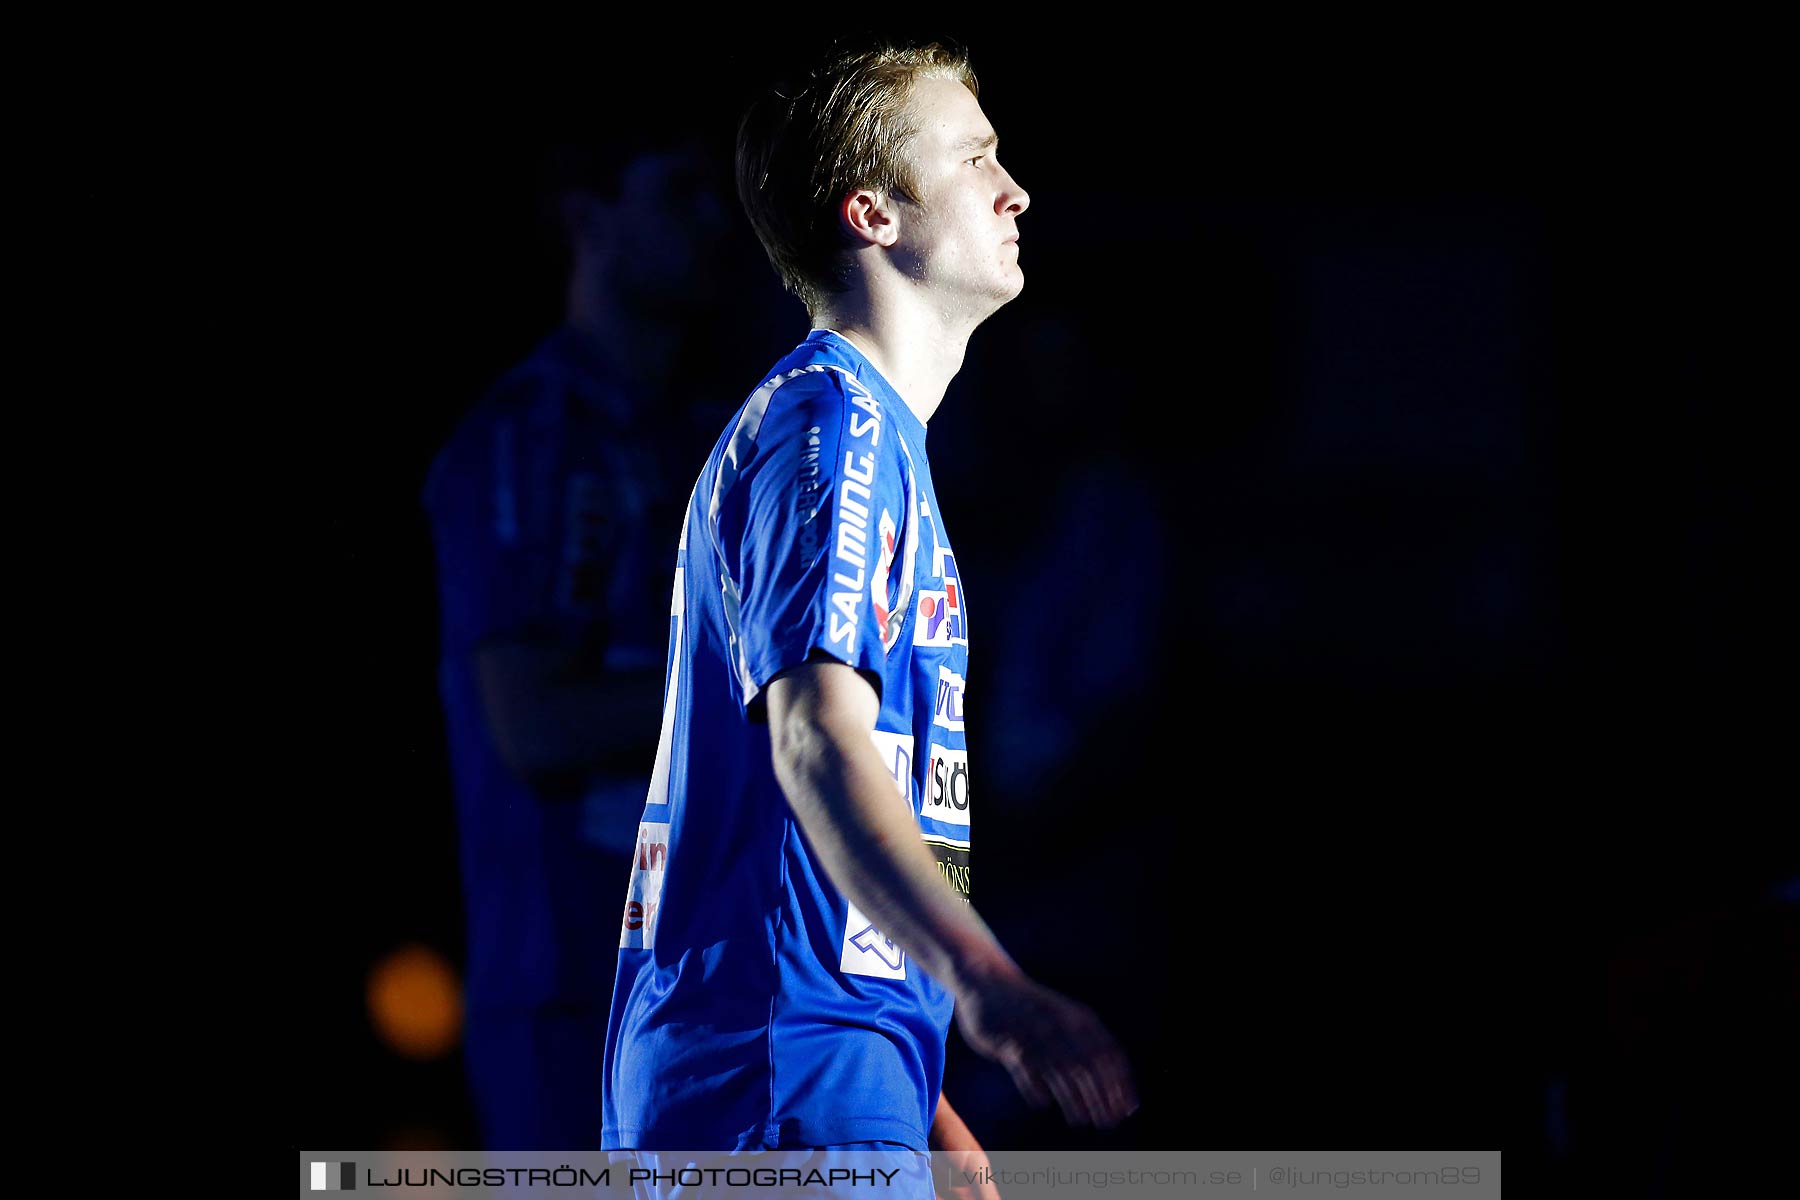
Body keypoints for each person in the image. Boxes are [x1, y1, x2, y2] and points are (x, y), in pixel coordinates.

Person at [601, 36, 1138, 1172]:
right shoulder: (831, 431)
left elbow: (813, 828)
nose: (1016, 188)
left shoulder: (870, 442)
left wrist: (919, 1083)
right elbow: (815, 740)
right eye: (975, 158)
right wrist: (988, 985)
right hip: (776, 1082)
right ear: (872, 214)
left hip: (832, 1077)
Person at [423, 134, 736, 1150]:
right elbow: (531, 724)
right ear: (588, 218)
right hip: (569, 993)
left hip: (720, 984)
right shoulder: (524, 439)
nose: (714, 224)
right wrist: (780, 703)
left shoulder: (721, 431)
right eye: (680, 192)